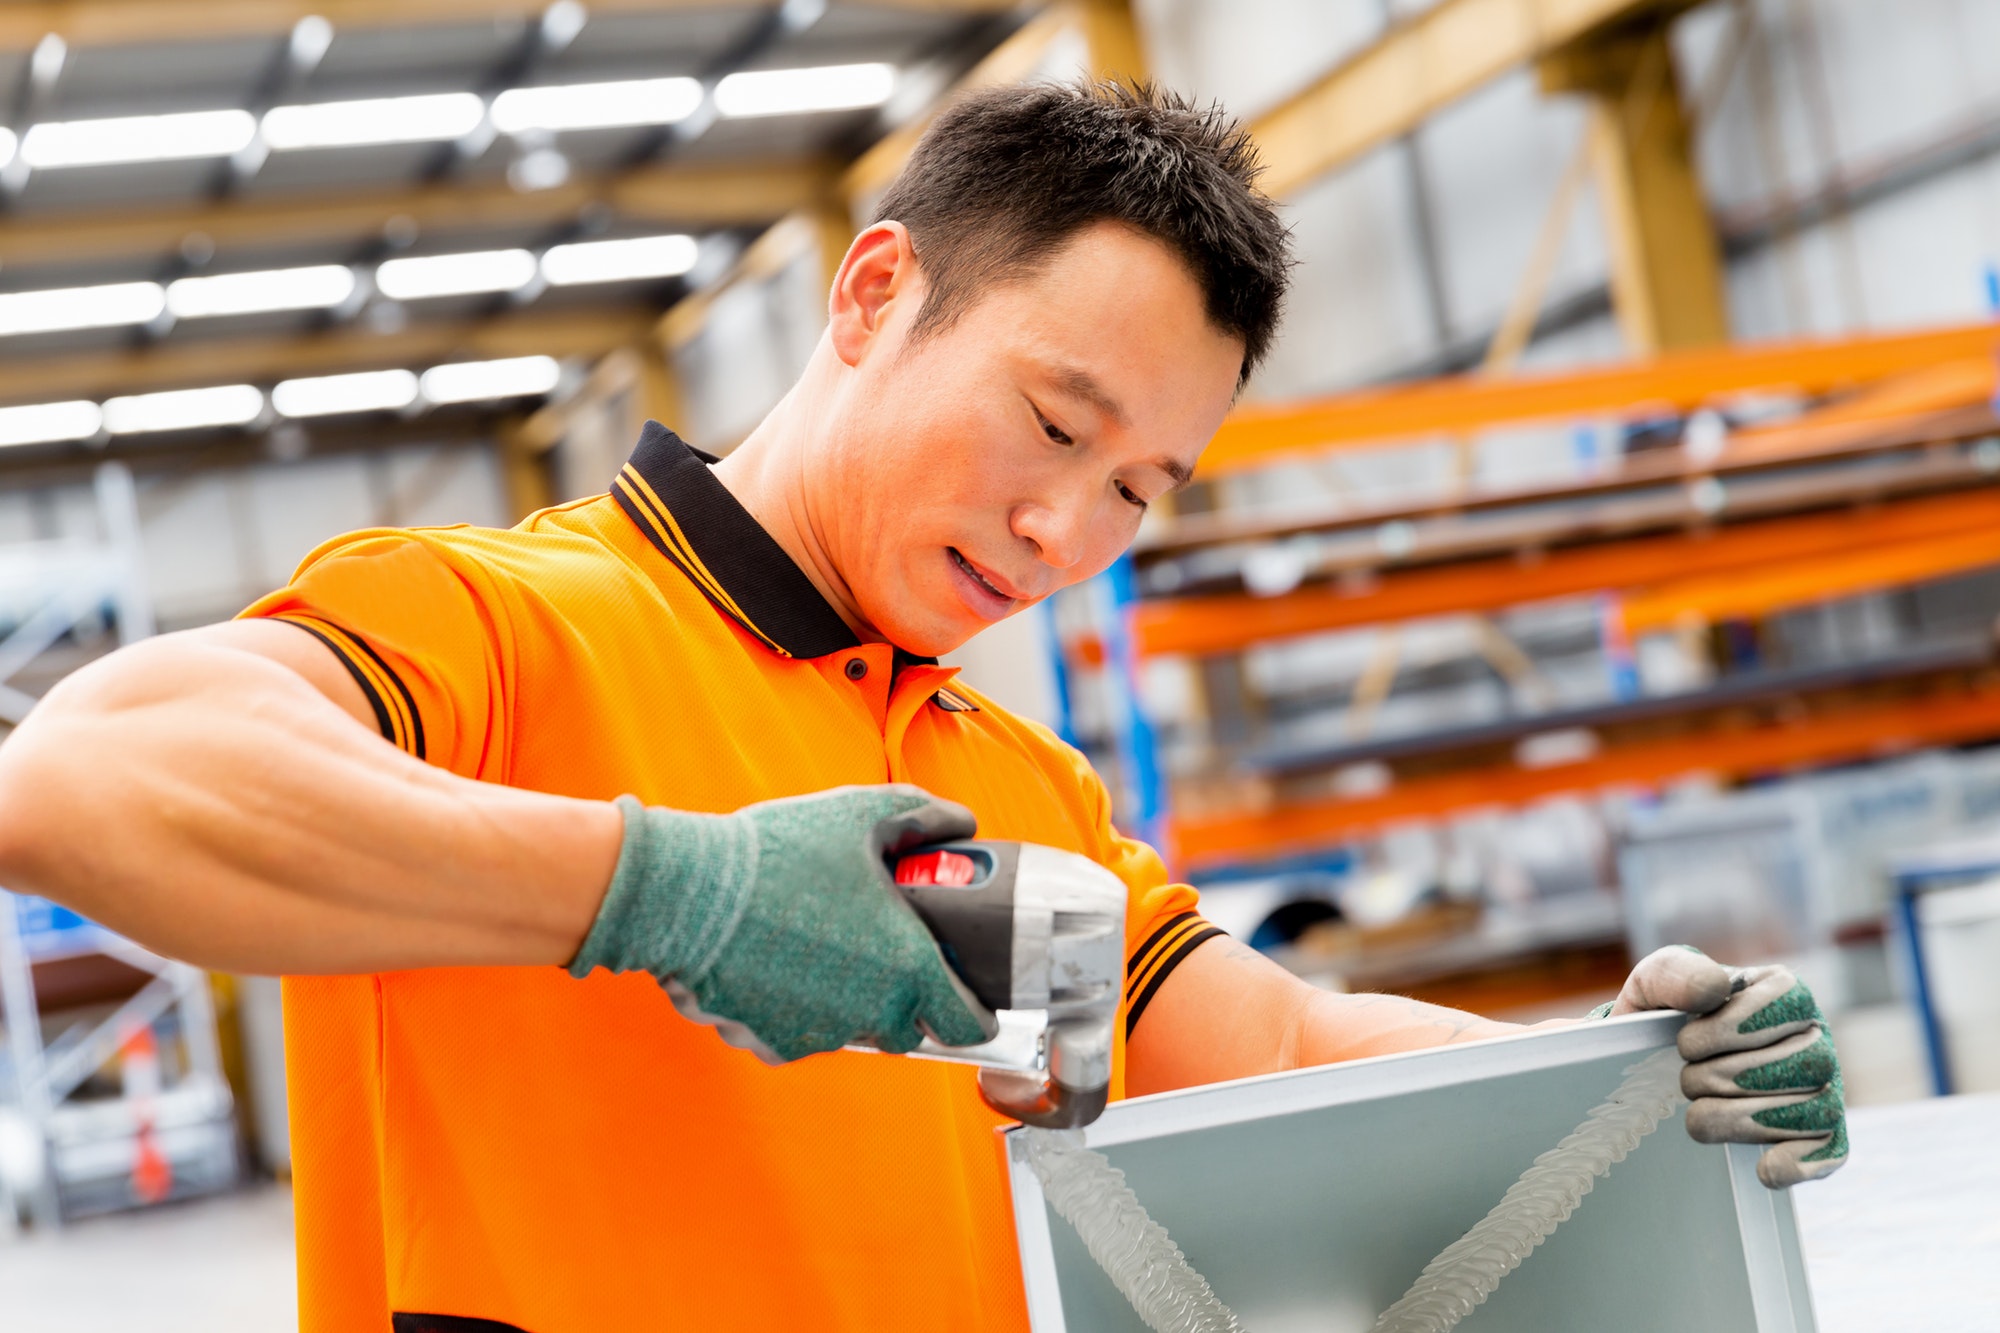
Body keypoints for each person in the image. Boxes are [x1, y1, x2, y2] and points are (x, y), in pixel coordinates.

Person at [0, 82, 1844, 1331]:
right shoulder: (501, 632)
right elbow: (86, 781)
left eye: (1138, 490)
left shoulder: (997, 791)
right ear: (878, 293)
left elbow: (1270, 1046)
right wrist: (669, 893)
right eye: (1052, 424)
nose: (1065, 529)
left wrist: (1622, 1069)